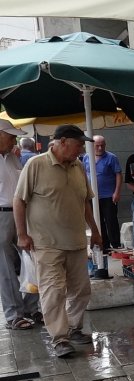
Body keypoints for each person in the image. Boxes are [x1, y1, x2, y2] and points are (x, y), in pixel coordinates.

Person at [14, 125, 101, 358]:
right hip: (46, 243)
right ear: (62, 142)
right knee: (53, 291)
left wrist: (95, 230)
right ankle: (59, 338)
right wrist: (22, 234)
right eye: (78, 143)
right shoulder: (35, 165)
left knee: (81, 290)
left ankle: (73, 328)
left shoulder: (78, 166)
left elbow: (85, 202)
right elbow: (19, 201)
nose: (81, 148)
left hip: (76, 241)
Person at [0, 120, 41, 330]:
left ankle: (31, 308)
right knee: (6, 268)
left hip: (19, 214)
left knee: (31, 258)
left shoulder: (13, 158)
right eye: (10, 135)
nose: (14, 139)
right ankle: (14, 314)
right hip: (1, 217)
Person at [81, 136, 123, 250]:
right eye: (97, 145)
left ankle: (116, 245)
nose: (100, 148)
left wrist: (117, 192)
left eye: (102, 145)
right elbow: (84, 173)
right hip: (93, 196)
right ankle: (104, 245)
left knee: (111, 220)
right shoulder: (86, 157)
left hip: (109, 195)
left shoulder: (111, 158)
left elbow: (118, 175)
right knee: (98, 222)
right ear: (92, 146)